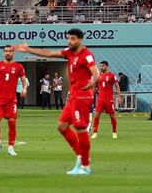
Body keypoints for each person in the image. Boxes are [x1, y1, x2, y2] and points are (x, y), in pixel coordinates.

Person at [14, 29, 101, 176]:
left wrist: (91, 83)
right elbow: (49, 54)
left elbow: (96, 73)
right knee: (62, 126)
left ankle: (85, 165)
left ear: (80, 40)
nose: (69, 41)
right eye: (68, 39)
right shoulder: (69, 52)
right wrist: (28, 49)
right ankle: (81, 156)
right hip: (73, 96)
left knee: (80, 129)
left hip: (82, 97)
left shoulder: (86, 55)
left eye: (73, 39)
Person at [0, 45, 28, 156]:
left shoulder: (18, 67)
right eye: (6, 51)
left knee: (12, 123)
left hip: (11, 101)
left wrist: (24, 89)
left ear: (13, 53)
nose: (8, 53)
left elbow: (24, 80)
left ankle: (11, 147)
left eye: (10, 51)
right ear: (3, 53)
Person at [91, 60, 119, 138]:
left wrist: (119, 97)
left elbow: (117, 86)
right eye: (100, 66)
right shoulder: (97, 76)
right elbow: (94, 86)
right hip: (100, 99)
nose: (101, 67)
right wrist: (92, 97)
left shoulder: (112, 76)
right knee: (97, 115)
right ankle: (95, 133)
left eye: (102, 66)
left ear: (106, 66)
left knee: (112, 116)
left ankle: (114, 132)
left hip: (109, 99)